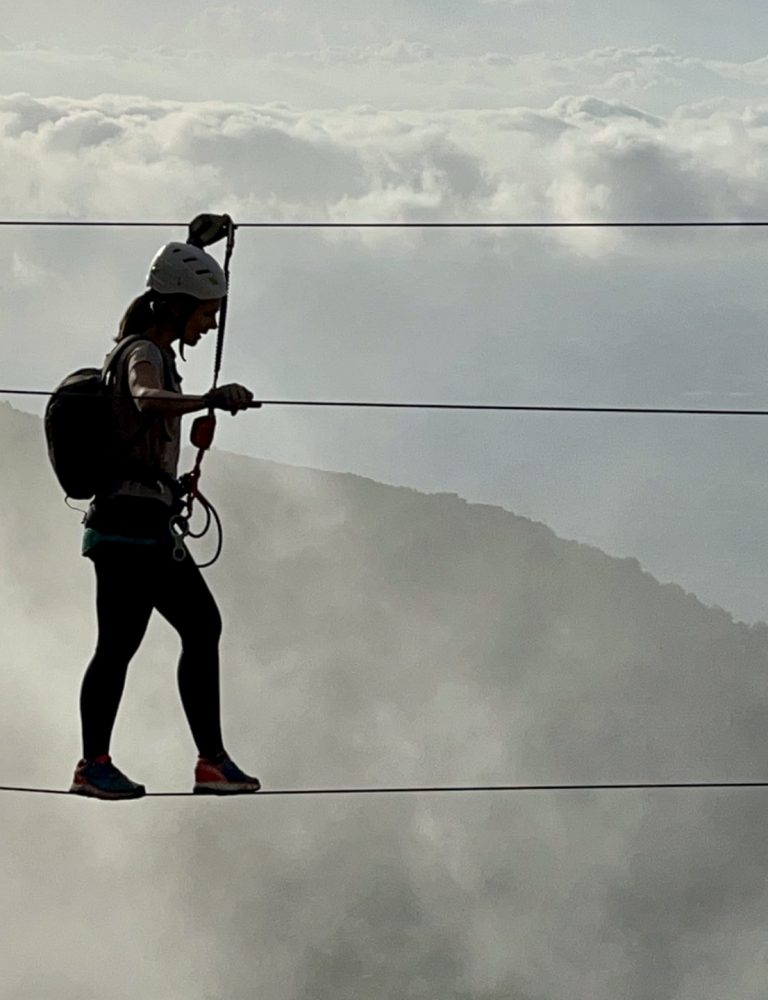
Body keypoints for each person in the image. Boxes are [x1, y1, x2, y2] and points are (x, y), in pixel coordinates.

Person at [69, 240, 261, 800]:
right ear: (178, 307)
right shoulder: (144, 354)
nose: (209, 325)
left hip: (132, 523)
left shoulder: (152, 345)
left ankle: (118, 763)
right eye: (205, 313)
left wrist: (198, 238)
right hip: (131, 526)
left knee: (146, 638)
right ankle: (188, 762)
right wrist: (209, 399)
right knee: (174, 633)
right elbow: (147, 398)